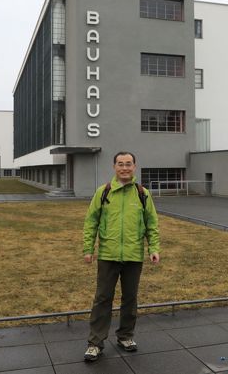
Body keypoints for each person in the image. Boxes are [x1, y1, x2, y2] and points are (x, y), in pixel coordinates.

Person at [83, 151, 160, 362]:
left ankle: (125, 336)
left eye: (128, 164)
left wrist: (154, 248)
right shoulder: (104, 192)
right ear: (114, 167)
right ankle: (95, 343)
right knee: (102, 299)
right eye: (120, 164)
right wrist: (88, 249)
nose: (124, 168)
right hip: (108, 255)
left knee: (130, 299)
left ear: (134, 167)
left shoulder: (142, 193)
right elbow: (91, 222)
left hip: (134, 256)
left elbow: (152, 224)